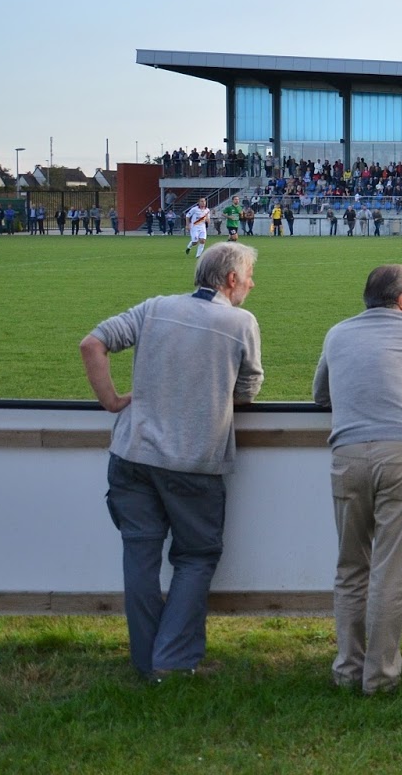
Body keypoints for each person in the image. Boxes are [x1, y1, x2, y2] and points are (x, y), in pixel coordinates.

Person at [78, 242, 264, 681]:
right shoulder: (240, 322)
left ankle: (146, 661)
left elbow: (93, 344)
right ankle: (173, 661)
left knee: (139, 557)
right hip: (193, 462)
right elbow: (248, 389)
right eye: (250, 275)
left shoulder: (155, 307)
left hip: (132, 454)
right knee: (196, 557)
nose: (253, 283)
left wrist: (111, 401)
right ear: (232, 280)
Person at [313, 264, 402, 694]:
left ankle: (346, 670)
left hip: (348, 453)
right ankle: (381, 678)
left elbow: (321, 396)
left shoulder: (337, 333)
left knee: (351, 568)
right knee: (390, 572)